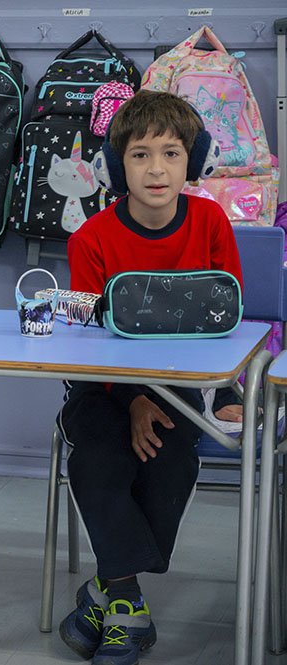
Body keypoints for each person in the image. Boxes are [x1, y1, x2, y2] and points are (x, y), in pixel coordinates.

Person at [58, 89, 244, 664]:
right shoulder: (90, 239)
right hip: (101, 385)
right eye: (140, 155)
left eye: (171, 152)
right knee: (98, 460)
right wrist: (135, 397)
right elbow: (90, 340)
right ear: (118, 167)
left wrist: (229, 389)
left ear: (193, 160)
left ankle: (108, 592)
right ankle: (129, 605)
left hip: (181, 384)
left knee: (170, 461)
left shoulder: (210, 219)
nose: (157, 168)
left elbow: (228, 317)